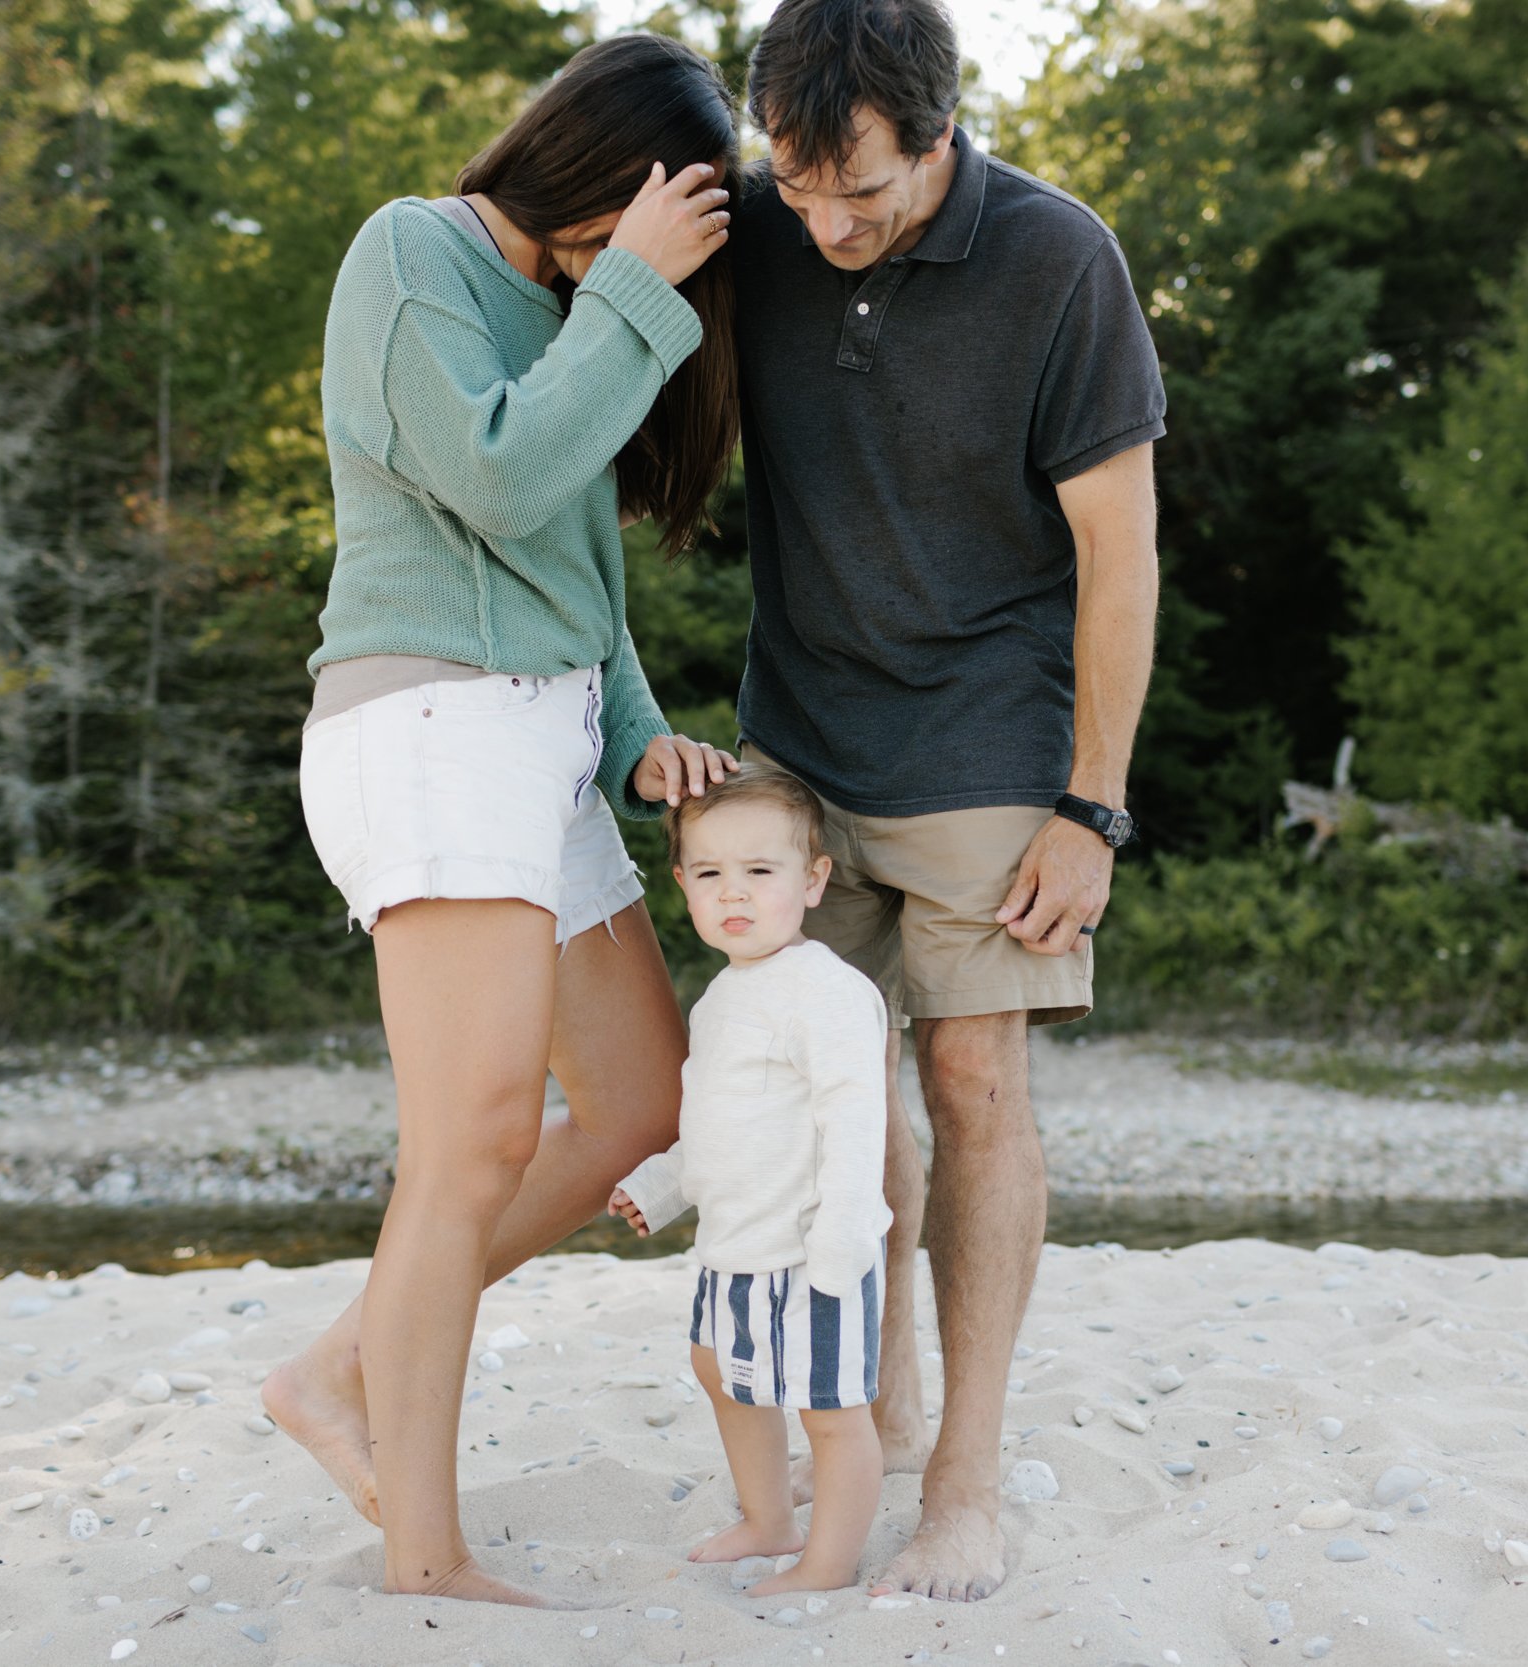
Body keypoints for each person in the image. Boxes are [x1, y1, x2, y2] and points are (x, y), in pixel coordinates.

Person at [261, 34, 744, 1608]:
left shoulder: (564, 310)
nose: (636, 267)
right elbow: (495, 476)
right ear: (590, 159)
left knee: (640, 1103)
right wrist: (632, 295)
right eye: (635, 225)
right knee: (464, 1143)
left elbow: (580, 583)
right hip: (429, 723)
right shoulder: (410, 250)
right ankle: (424, 1547)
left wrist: (644, 738)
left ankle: (341, 1368)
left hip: (538, 730)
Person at [727, 0, 1170, 1602]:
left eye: (866, 189)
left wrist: (1092, 805)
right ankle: (876, 1385)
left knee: (970, 1077)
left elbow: (1119, 554)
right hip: (802, 732)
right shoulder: (760, 218)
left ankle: (963, 1470)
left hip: (991, 733)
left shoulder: (1061, 261)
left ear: (941, 129)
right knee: (824, 1089)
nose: (829, 223)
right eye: (799, 185)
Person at [606, 766, 894, 1598]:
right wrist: (663, 1185)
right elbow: (719, 1123)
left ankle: (827, 1562)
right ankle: (769, 1519)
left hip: (811, 1247)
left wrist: (841, 1239)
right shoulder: (723, 996)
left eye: (760, 872)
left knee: (833, 1413)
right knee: (718, 1368)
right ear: (683, 885)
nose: (734, 892)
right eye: (710, 874)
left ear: (811, 880)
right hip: (733, 1242)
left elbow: (854, 1119)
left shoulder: (828, 992)